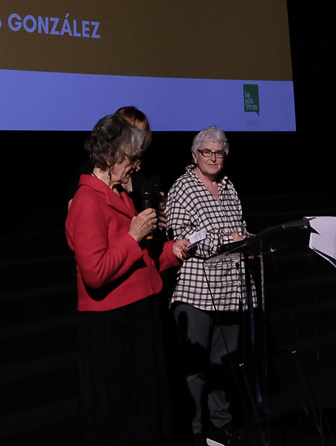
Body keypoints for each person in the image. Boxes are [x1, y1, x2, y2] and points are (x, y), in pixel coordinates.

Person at [67, 112, 192, 445]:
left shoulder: (120, 196)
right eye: (132, 159)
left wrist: (172, 252)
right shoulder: (86, 201)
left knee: (147, 413)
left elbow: (141, 263)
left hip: (138, 318)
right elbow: (96, 273)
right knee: (126, 418)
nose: (137, 166)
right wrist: (134, 235)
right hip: (114, 327)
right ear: (110, 156)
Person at [167, 127, 250, 446]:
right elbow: (181, 236)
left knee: (224, 365)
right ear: (195, 155)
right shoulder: (183, 186)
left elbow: (240, 229)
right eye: (207, 152)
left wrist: (248, 241)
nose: (213, 158)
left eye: (219, 152)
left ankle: (220, 426)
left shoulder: (228, 186)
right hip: (196, 291)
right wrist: (228, 240)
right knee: (194, 368)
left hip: (231, 289)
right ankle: (193, 430)